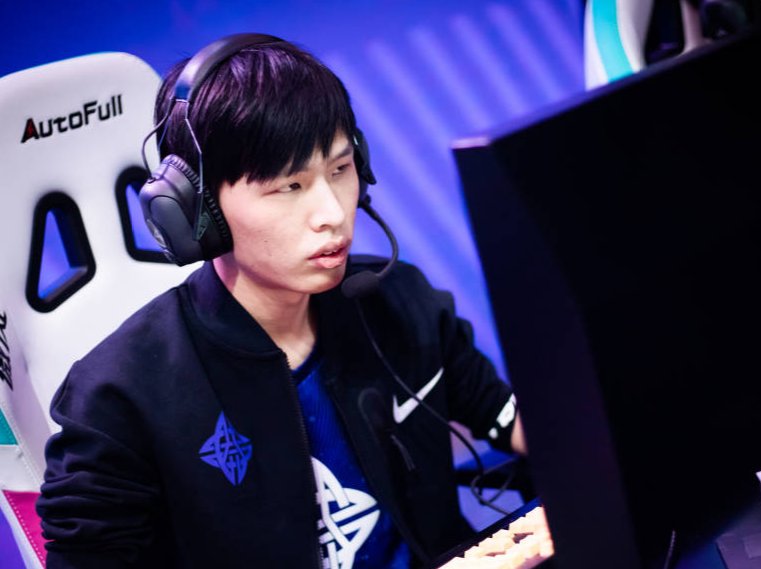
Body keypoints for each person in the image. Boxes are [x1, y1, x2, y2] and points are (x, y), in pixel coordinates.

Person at [37, 34, 525, 569]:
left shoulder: (400, 301)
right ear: (197, 210)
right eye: (289, 187)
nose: (333, 214)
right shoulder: (119, 396)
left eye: (340, 170)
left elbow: (509, 419)